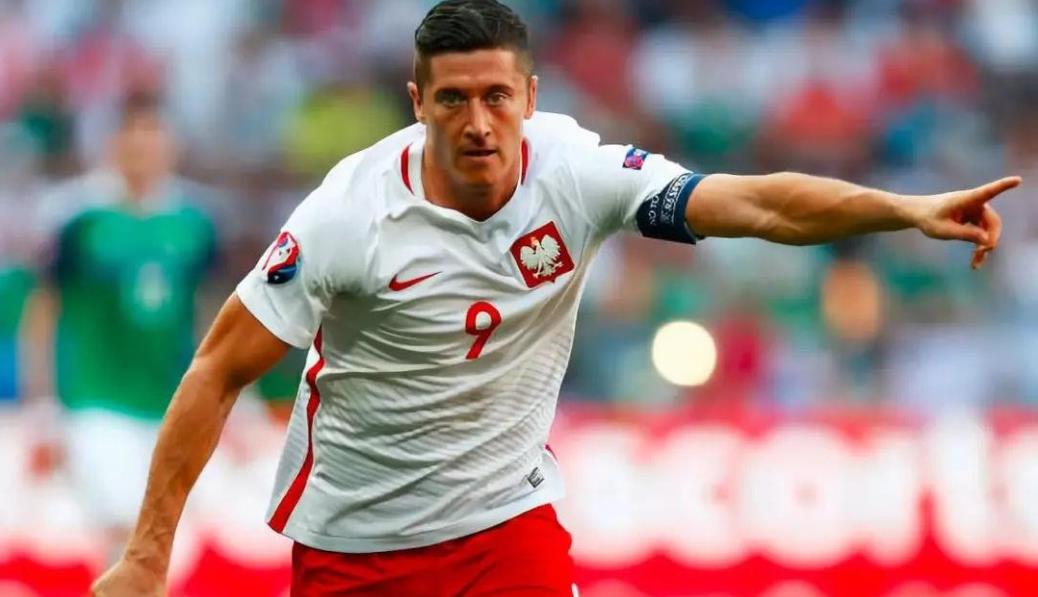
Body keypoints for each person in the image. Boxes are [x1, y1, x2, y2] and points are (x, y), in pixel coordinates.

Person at [92, 1, 1019, 595]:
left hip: (505, 526)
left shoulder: (575, 174)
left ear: (531, 95)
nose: (478, 122)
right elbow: (217, 369)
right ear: (417, 102)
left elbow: (755, 203)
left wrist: (903, 208)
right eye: (453, 100)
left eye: (497, 96)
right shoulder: (348, 215)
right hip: (357, 539)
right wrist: (146, 550)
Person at [32, 91, 216, 562]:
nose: (142, 146)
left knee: (165, 544)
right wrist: (43, 405)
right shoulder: (79, 217)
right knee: (125, 534)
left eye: (153, 134)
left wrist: (229, 395)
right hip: (98, 401)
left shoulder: (194, 221)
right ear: (112, 143)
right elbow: (44, 310)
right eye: (132, 134)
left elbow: (208, 312)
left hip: (170, 405)